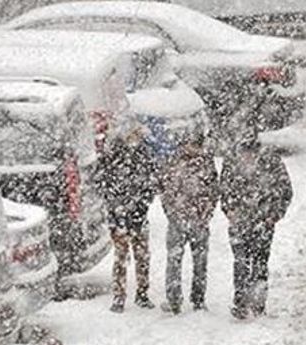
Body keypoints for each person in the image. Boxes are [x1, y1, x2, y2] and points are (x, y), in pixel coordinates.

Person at [220, 138, 293, 319]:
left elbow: (285, 191)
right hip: (239, 223)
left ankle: (258, 303)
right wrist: (229, 210)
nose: (248, 157)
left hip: (263, 223)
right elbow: (223, 190)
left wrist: (273, 216)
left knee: (260, 263)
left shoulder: (272, 164)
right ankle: (241, 302)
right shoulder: (231, 164)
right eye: (245, 153)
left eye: (251, 153)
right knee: (241, 262)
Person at [95, 125, 161, 312]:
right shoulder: (112, 156)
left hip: (138, 215)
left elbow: (151, 183)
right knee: (121, 257)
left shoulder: (144, 155)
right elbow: (102, 183)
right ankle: (119, 295)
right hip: (119, 217)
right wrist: (115, 205)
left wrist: (142, 204)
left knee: (141, 256)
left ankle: (142, 293)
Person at [160, 130, 219, 314]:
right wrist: (172, 213)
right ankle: (173, 299)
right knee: (174, 261)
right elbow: (164, 190)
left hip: (200, 222)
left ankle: (198, 299)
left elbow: (214, 190)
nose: (194, 149)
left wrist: (206, 213)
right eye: (191, 145)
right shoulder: (173, 162)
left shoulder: (206, 163)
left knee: (200, 263)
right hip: (177, 221)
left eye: (197, 146)